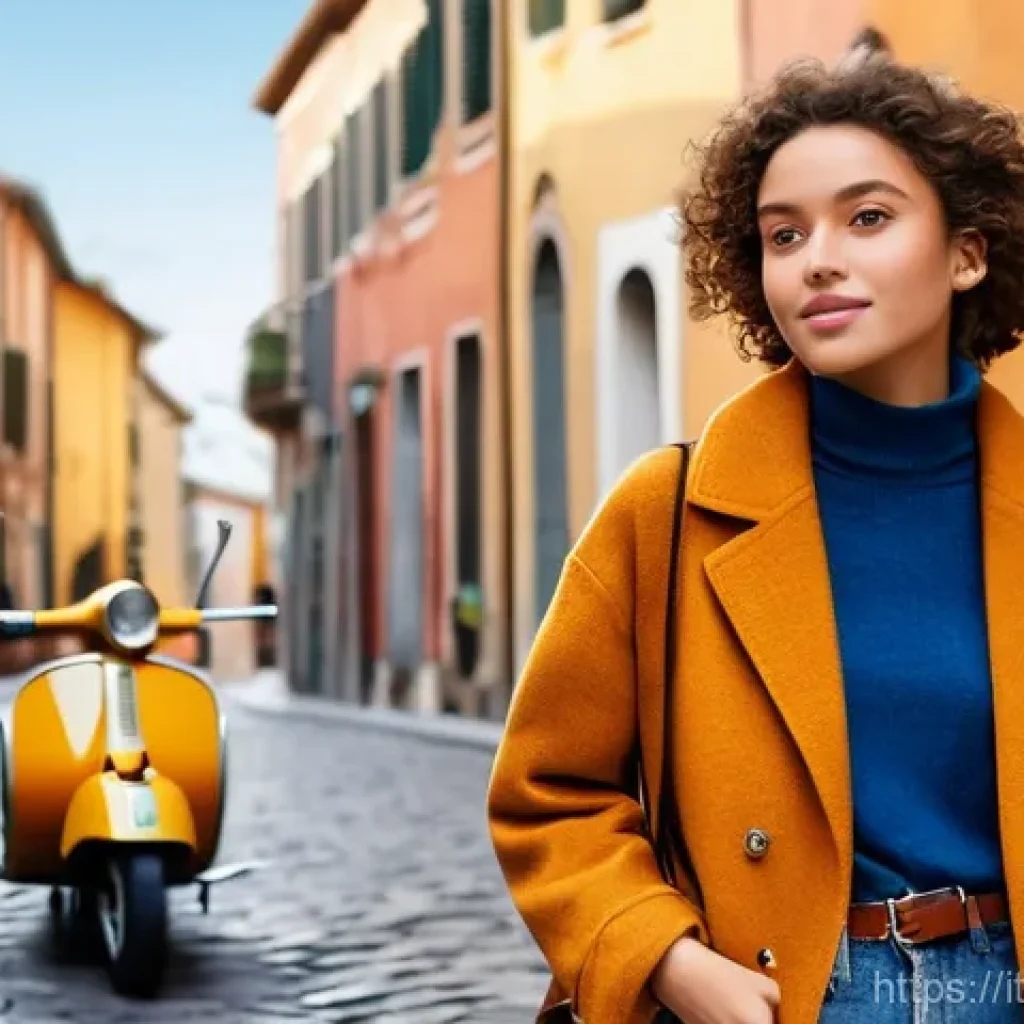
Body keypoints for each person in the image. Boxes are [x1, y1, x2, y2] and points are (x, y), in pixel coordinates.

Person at [487, 50, 1024, 1024]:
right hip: (782, 994)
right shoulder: (669, 509)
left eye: (867, 217)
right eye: (783, 233)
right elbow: (549, 792)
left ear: (967, 253)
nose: (817, 256)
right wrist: (669, 959)